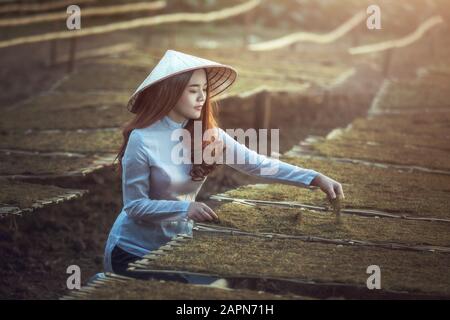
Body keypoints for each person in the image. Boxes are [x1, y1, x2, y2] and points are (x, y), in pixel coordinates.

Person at [103, 49, 345, 281]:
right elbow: (134, 206)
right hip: (133, 251)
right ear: (170, 92)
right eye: (193, 90)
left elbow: (256, 164)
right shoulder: (142, 139)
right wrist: (185, 210)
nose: (202, 97)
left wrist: (314, 178)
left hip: (176, 247)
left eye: (205, 90)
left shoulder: (208, 134)